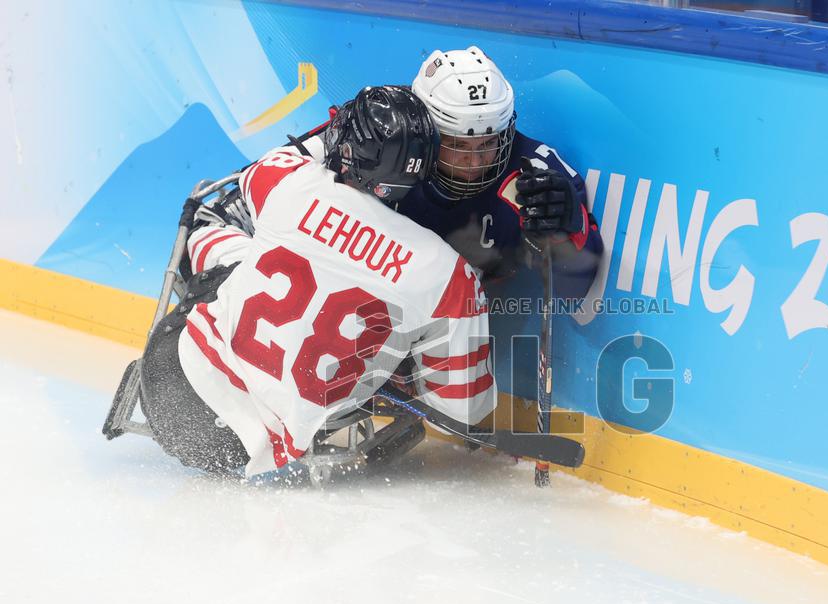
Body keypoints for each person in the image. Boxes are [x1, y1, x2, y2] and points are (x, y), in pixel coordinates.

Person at [139, 86, 496, 478]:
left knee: (213, 230)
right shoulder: (447, 272)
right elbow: (463, 407)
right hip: (240, 450)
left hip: (164, 382)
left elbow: (257, 174)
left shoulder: (290, 181)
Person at [295, 46, 603, 300]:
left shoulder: (533, 176)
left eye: (488, 143)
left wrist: (569, 226)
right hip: (355, 297)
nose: (474, 162)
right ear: (426, 129)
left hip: (467, 322)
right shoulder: (381, 135)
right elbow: (288, 178)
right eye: (457, 144)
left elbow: (574, 289)